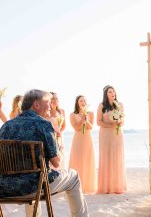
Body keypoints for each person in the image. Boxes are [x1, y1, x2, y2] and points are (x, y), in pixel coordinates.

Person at [0, 89, 88, 217]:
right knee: (73, 176)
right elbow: (56, 163)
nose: (50, 105)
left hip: (6, 188)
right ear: (36, 105)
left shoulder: (5, 126)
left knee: (34, 174)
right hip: (35, 187)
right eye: (47, 101)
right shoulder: (44, 124)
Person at [97, 85, 127, 194]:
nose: (112, 93)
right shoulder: (101, 106)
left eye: (113, 91)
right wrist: (110, 124)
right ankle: (106, 187)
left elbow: (123, 121)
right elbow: (98, 122)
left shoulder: (120, 105)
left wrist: (119, 122)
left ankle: (117, 186)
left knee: (117, 157)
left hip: (117, 134)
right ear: (106, 94)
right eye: (110, 91)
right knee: (106, 158)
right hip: (105, 135)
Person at [69, 95, 97, 193]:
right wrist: (82, 120)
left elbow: (90, 127)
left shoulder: (91, 113)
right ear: (77, 103)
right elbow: (76, 128)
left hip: (87, 138)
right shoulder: (72, 115)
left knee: (87, 160)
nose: (83, 102)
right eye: (81, 101)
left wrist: (87, 120)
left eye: (84, 100)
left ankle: (88, 186)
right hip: (78, 138)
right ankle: (76, 185)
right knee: (77, 160)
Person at [48, 91, 66, 169]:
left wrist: (59, 132)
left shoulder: (61, 111)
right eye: (52, 99)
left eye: (56, 98)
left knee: (61, 158)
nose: (55, 100)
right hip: (51, 138)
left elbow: (64, 126)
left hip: (60, 138)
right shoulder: (46, 112)